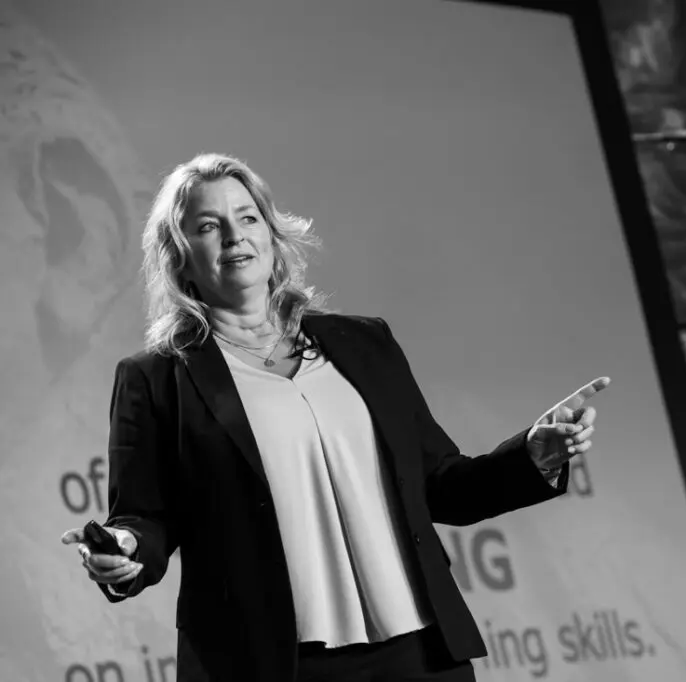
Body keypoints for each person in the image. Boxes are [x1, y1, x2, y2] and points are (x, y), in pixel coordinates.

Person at [60, 153, 609, 682]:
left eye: (247, 217)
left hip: (419, 652)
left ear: (273, 238)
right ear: (179, 257)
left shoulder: (365, 344)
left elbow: (442, 486)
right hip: (271, 663)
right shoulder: (155, 379)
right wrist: (125, 549)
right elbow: (144, 518)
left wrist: (532, 456)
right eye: (208, 226)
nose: (234, 236)